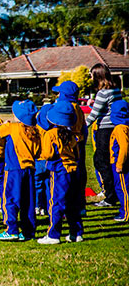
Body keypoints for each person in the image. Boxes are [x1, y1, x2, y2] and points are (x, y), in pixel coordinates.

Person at [0, 100, 41, 241]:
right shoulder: (36, 131)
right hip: (30, 169)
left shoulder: (12, 127)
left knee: (11, 199)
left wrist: (3, 124)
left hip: (13, 168)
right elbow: (38, 152)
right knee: (28, 201)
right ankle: (28, 231)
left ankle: (11, 229)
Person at [37, 101, 84, 244]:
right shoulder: (71, 134)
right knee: (72, 203)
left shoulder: (50, 134)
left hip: (59, 171)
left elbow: (48, 154)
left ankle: (53, 235)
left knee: (56, 203)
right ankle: (76, 233)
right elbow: (77, 154)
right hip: (74, 170)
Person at [86, 64, 123, 207]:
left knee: (101, 161)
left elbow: (94, 115)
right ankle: (115, 191)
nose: (91, 78)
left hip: (104, 130)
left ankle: (110, 195)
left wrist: (81, 127)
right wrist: (93, 104)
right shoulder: (115, 90)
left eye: (92, 75)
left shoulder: (102, 93)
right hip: (114, 128)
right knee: (110, 160)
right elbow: (107, 109)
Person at [53, 80, 88, 216]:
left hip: (69, 143)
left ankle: (68, 204)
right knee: (79, 174)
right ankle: (80, 205)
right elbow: (84, 128)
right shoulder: (78, 108)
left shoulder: (65, 107)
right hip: (79, 143)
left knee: (67, 175)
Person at [109, 100, 129, 222]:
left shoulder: (120, 128)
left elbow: (124, 147)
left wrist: (119, 164)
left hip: (120, 162)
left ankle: (126, 213)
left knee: (122, 188)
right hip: (124, 160)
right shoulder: (126, 126)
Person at [34, 104, 54, 217]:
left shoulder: (35, 129)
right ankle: (47, 206)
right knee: (49, 185)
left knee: (37, 185)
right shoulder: (53, 130)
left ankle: (37, 206)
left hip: (38, 161)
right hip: (50, 160)